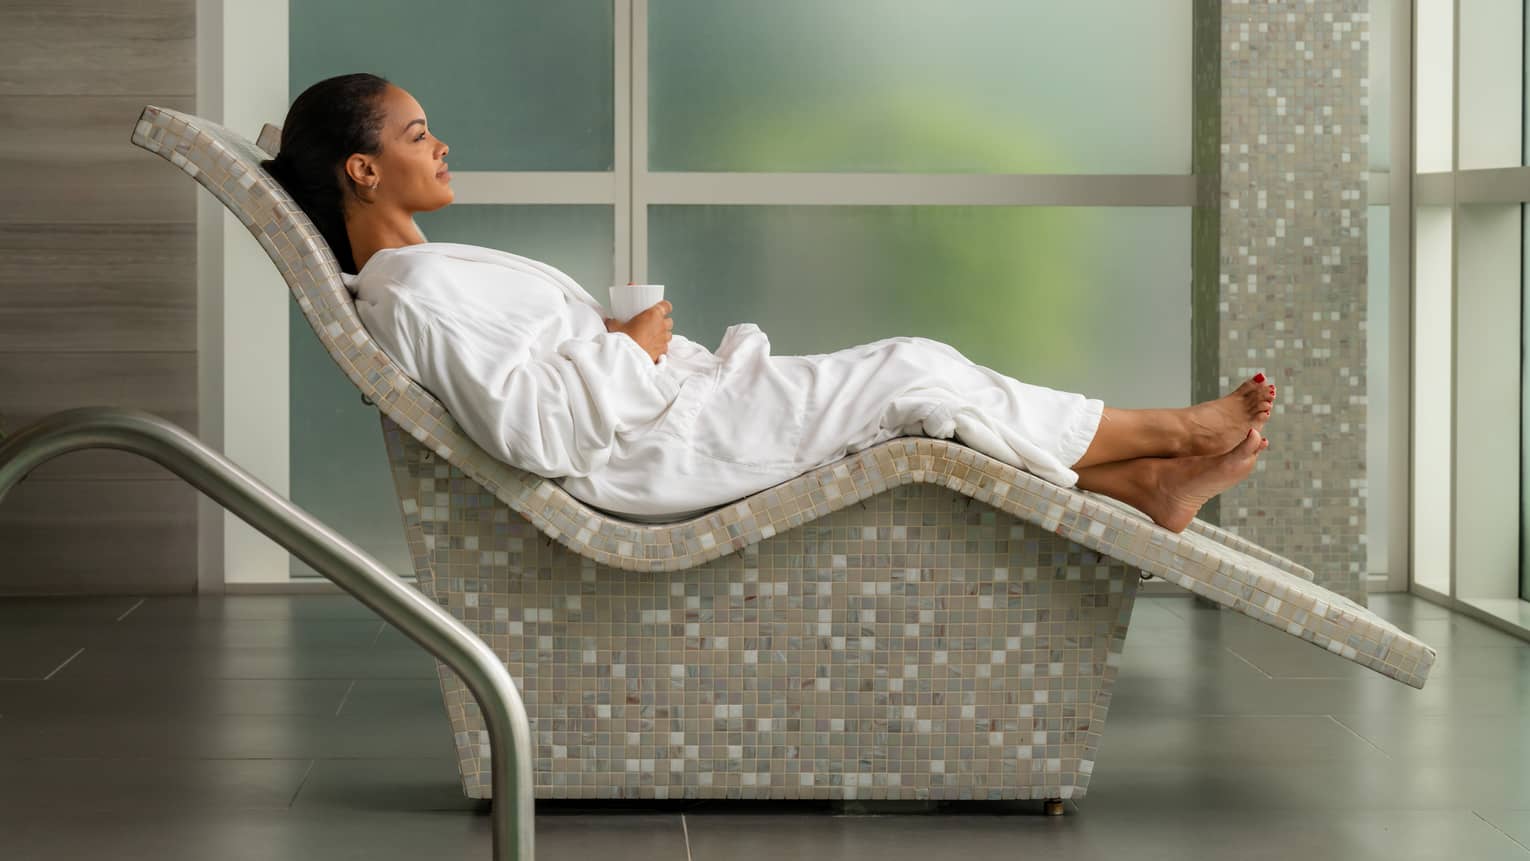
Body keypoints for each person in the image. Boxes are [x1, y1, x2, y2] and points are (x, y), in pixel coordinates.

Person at [262, 73, 1275, 529]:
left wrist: (626, 346)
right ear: (361, 170)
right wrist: (630, 350)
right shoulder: (413, 294)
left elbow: (532, 380)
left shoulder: (424, 273)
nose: (440, 144)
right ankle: (1166, 433)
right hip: (656, 451)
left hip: (676, 411)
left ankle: (1137, 487)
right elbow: (531, 427)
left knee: (918, 392)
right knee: (911, 374)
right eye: (416, 132)